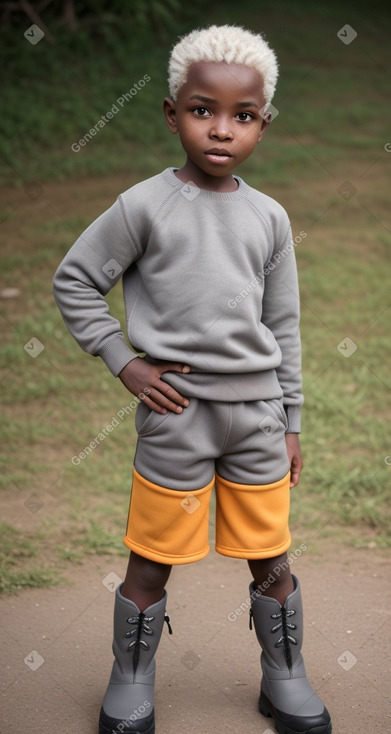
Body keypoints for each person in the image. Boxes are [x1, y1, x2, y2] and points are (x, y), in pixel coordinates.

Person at [53, 24, 332, 734]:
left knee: (270, 558)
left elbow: (285, 325)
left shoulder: (269, 217)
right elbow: (77, 280)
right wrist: (124, 359)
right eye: (202, 109)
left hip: (258, 417)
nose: (220, 129)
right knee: (151, 561)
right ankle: (132, 677)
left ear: (262, 125)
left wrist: (291, 419)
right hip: (176, 415)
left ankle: (285, 675)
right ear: (170, 112)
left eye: (242, 116)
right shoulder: (142, 206)